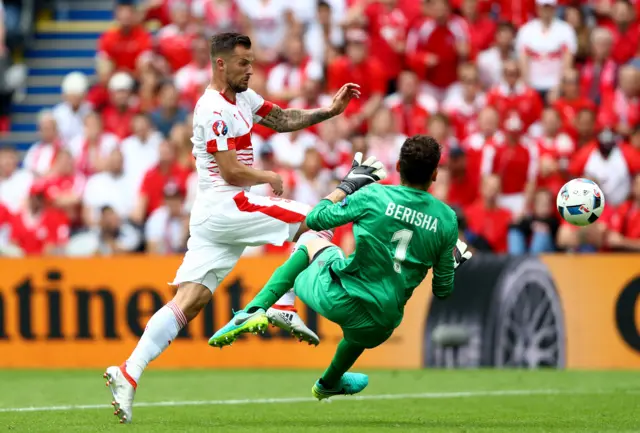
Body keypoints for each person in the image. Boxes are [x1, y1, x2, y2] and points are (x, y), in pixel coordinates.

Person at [103, 32, 362, 423]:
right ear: (220, 63)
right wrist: (268, 175)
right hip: (228, 202)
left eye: (252, 62)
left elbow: (281, 119)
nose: (250, 70)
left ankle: (128, 371)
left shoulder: (242, 97)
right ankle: (282, 303)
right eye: (244, 63)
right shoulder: (212, 109)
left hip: (212, 215)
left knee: (190, 301)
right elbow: (231, 171)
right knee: (318, 224)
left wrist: (328, 111)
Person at [209, 136, 472, 399]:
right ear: (435, 173)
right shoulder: (447, 220)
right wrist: (450, 263)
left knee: (313, 239)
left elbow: (315, 219)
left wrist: (345, 187)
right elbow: (442, 290)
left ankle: (260, 308)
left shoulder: (374, 195)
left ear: (399, 167)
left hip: (339, 298)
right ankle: (329, 382)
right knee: (362, 328)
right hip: (381, 325)